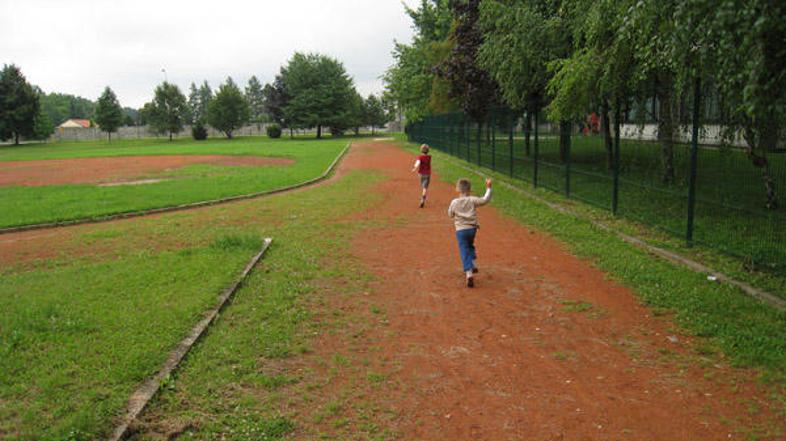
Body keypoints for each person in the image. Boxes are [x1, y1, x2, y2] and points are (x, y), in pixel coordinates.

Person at [448, 177, 493, 287]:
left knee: (464, 249)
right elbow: (484, 200)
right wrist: (488, 188)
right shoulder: (472, 200)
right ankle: (473, 263)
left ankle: (469, 273)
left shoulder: (454, 202)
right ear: (469, 190)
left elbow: (450, 214)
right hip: (472, 229)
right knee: (470, 245)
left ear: (457, 189)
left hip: (460, 230)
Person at [411, 144, 432, 208]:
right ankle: (423, 197)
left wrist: (414, 168)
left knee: (423, 185)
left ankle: (423, 195)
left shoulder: (420, 157)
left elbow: (417, 163)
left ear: (421, 150)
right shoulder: (429, 157)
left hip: (421, 174)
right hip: (427, 174)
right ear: (428, 150)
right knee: (425, 188)